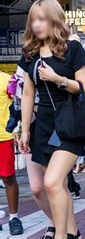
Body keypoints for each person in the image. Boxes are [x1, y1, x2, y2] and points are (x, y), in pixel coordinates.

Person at [18, 0, 85, 239]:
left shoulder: (72, 48)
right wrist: (25, 129)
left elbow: (83, 86)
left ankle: (60, 235)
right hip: (45, 125)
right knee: (58, 186)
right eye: (33, 20)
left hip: (70, 122)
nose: (37, 25)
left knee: (51, 182)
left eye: (42, 19)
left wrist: (57, 78)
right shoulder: (30, 53)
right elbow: (28, 93)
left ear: (54, 19)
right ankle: (72, 233)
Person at [0, 71, 23, 235]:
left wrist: (21, 131)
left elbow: (19, 103)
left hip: (3, 136)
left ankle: (14, 217)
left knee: (8, 177)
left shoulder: (7, 80)